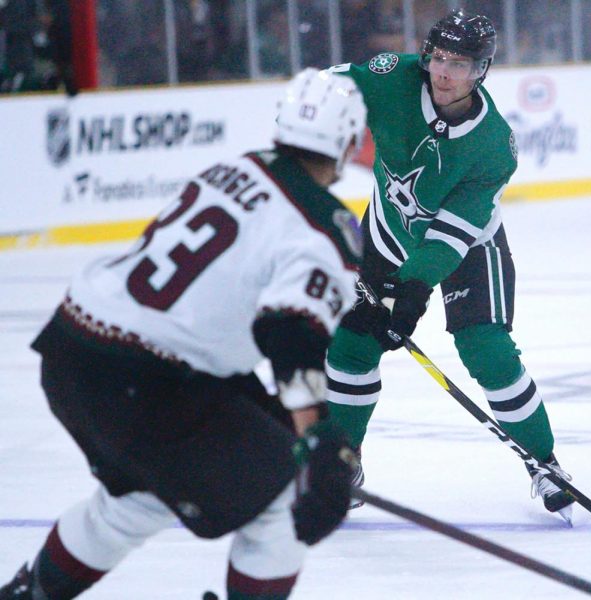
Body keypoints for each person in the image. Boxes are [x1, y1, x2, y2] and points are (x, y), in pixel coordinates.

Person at [0, 68, 367, 600]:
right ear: (349, 143)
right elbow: (289, 334)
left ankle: (29, 593)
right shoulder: (326, 225)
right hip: (150, 382)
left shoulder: (234, 168)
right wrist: (316, 437)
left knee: (141, 494)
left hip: (73, 349)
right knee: (282, 498)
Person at [324, 9, 576, 523]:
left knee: (486, 350)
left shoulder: (492, 146)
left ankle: (545, 464)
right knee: (351, 344)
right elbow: (322, 90)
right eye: (438, 57)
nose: (443, 71)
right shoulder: (394, 77)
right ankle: (340, 465)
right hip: (386, 235)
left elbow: (448, 237)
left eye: (458, 64)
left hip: (468, 249)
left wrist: (410, 290)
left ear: (481, 70)